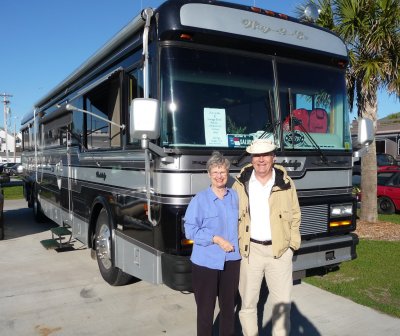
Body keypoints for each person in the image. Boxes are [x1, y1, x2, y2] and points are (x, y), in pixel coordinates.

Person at [233, 139, 301, 336]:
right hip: (250, 252)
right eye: (256, 155)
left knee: (282, 305)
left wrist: (291, 246)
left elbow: (296, 215)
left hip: (279, 252)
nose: (261, 160)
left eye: (265, 155)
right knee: (247, 304)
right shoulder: (241, 183)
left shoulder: (286, 183)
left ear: (273, 158)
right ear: (252, 158)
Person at [184, 151, 241, 336]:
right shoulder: (200, 200)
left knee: (228, 311)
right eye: (215, 172)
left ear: (227, 173)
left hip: (231, 261)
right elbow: (190, 230)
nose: (219, 176)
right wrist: (215, 238)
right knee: (205, 312)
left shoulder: (235, 197)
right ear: (209, 174)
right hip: (205, 263)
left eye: (222, 172)